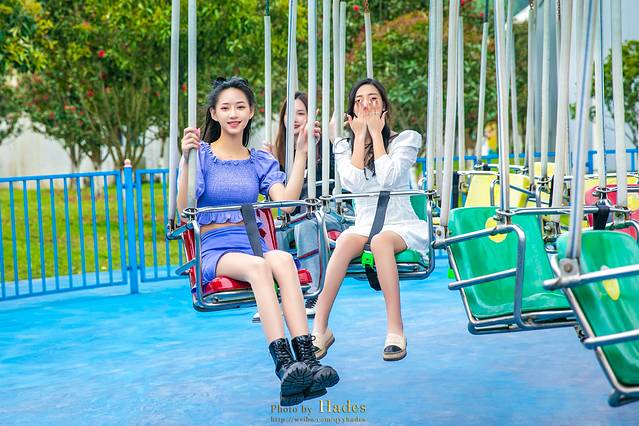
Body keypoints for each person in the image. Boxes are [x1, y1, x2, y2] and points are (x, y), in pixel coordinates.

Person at [177, 77, 339, 406]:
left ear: (251, 111)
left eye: (240, 106)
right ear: (214, 114)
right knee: (259, 267)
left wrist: (301, 153)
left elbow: (287, 204)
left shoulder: (259, 161)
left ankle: (307, 360)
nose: (233, 113)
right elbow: (184, 210)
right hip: (217, 249)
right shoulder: (202, 156)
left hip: (253, 245)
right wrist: (185, 160)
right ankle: (284, 364)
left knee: (282, 259)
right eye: (225, 108)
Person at [311, 78, 429, 362]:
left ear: (384, 106)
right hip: (365, 224)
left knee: (380, 242)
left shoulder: (406, 139)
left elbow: (389, 178)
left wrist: (376, 134)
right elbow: (352, 184)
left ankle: (395, 329)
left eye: (373, 99)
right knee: (344, 242)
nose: (366, 105)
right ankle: (320, 327)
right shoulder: (344, 146)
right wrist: (360, 138)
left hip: (399, 223)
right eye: (359, 100)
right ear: (352, 111)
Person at [263, 92, 347, 314]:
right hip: (294, 216)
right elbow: (277, 200)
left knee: (307, 224)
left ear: (312, 116)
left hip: (327, 214)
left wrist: (330, 139)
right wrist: (269, 164)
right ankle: (276, 295)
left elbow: (343, 177)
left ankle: (313, 293)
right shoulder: (280, 154)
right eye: (289, 114)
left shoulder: (325, 146)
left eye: (301, 113)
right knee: (275, 231)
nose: (294, 119)